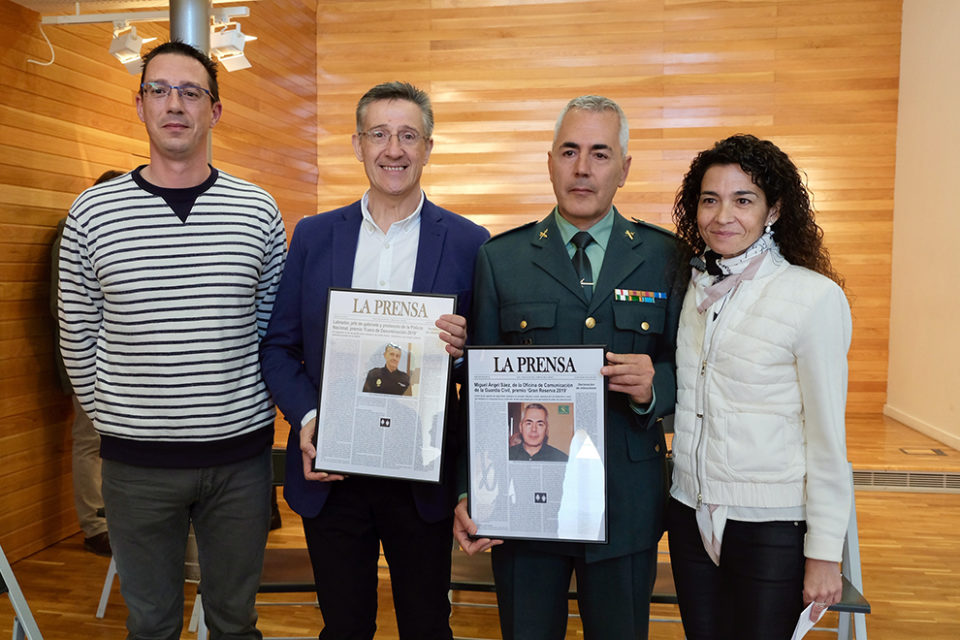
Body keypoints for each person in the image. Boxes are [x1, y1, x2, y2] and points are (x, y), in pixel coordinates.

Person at [57, 41, 286, 639]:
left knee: (236, 622)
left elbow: (272, 329)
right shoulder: (92, 213)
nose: (174, 104)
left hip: (239, 461)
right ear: (139, 106)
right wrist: (114, 416)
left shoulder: (256, 210)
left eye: (191, 92)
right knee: (152, 623)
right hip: (137, 465)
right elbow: (77, 332)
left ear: (216, 110)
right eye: (159, 90)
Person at [259, 81, 489, 640]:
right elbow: (280, 348)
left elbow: (484, 368)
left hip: (422, 476)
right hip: (332, 469)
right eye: (379, 134)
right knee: (343, 627)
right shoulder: (313, 236)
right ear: (357, 144)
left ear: (429, 147)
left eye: (408, 135)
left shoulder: (469, 242)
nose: (394, 149)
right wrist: (310, 422)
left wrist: (463, 353)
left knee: (428, 625)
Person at [454, 95, 681, 640]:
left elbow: (688, 365)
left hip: (624, 501)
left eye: (600, 154)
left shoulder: (664, 256)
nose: (583, 168)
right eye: (570, 151)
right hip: (522, 501)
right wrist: (469, 490)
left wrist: (656, 385)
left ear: (624, 168)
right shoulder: (501, 259)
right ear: (550, 160)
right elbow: (476, 390)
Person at [667, 134, 852, 639]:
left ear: (773, 210)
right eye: (710, 199)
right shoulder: (691, 289)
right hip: (689, 513)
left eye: (743, 200)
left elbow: (828, 440)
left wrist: (824, 554)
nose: (723, 215)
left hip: (770, 525)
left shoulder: (813, 298)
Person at [50, 169, 123, 557]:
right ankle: (95, 526)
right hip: (92, 367)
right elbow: (68, 310)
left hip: (123, 369)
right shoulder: (74, 231)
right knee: (89, 440)